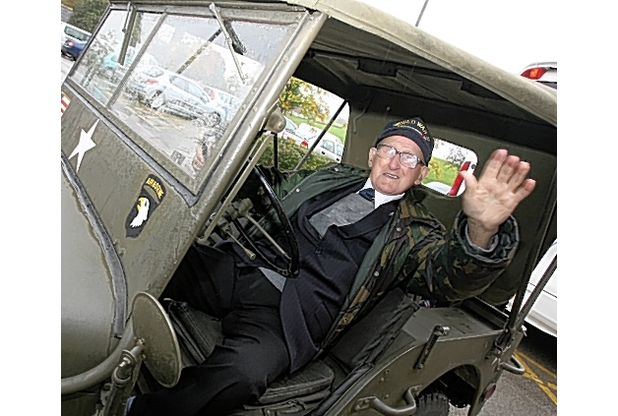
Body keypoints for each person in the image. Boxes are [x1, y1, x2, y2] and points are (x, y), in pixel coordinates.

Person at [126, 117, 536, 416]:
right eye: (389, 150)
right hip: (246, 266)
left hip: (293, 319)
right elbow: (275, 187)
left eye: (409, 158)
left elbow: (446, 277)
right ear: (373, 155)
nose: (395, 163)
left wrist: (481, 231)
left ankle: (138, 410)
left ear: (422, 174)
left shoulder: (414, 231)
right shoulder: (332, 178)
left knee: (242, 374)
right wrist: (222, 162)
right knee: (156, 257)